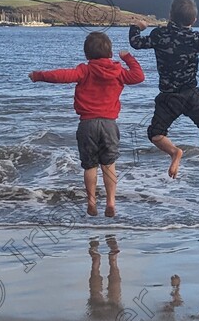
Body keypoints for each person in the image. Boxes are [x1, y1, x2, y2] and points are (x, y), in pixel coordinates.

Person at [29, 31, 144, 217]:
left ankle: (91, 201)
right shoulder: (119, 72)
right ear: (110, 53)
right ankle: (111, 202)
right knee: (109, 164)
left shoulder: (85, 70)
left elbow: (61, 76)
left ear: (87, 54)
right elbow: (139, 76)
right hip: (109, 124)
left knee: (90, 166)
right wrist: (128, 57)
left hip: (87, 124)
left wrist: (39, 75)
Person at [129, 0, 199, 178]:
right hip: (191, 94)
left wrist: (136, 27)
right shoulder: (196, 38)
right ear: (194, 20)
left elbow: (136, 43)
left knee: (155, 133)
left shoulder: (159, 35)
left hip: (168, 96)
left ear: (170, 16)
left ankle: (175, 152)